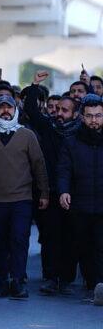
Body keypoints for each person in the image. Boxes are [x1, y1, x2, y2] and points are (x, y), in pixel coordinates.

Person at [0, 95, 49, 299]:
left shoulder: (27, 135)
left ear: (15, 109)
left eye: (9, 107)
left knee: (19, 240)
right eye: (1, 108)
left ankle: (17, 281)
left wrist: (44, 192)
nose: (5, 111)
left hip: (22, 199)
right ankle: (2, 281)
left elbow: (39, 165)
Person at [24, 71, 80, 295]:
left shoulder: (80, 134)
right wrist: (35, 84)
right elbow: (30, 111)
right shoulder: (48, 128)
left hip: (75, 194)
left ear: (76, 115)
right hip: (50, 191)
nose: (59, 114)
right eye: (56, 109)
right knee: (50, 237)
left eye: (65, 111)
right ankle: (51, 276)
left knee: (71, 237)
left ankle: (66, 277)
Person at [58, 96, 103, 306]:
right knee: (85, 246)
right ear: (82, 117)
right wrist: (64, 191)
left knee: (101, 246)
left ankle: (99, 286)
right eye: (90, 116)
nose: (94, 120)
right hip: (81, 204)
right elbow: (64, 169)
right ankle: (92, 285)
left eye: (98, 116)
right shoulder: (72, 141)